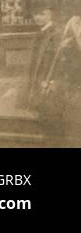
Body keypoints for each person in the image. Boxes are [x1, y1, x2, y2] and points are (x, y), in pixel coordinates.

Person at [39, 15, 81, 145]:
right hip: (70, 80)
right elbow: (62, 59)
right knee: (51, 107)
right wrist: (52, 80)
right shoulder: (74, 22)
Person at [17, 3, 62, 110]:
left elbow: (58, 57)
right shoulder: (40, 32)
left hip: (47, 72)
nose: (38, 17)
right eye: (36, 14)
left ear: (50, 15)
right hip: (37, 72)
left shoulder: (55, 33)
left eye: (42, 14)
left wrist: (53, 79)